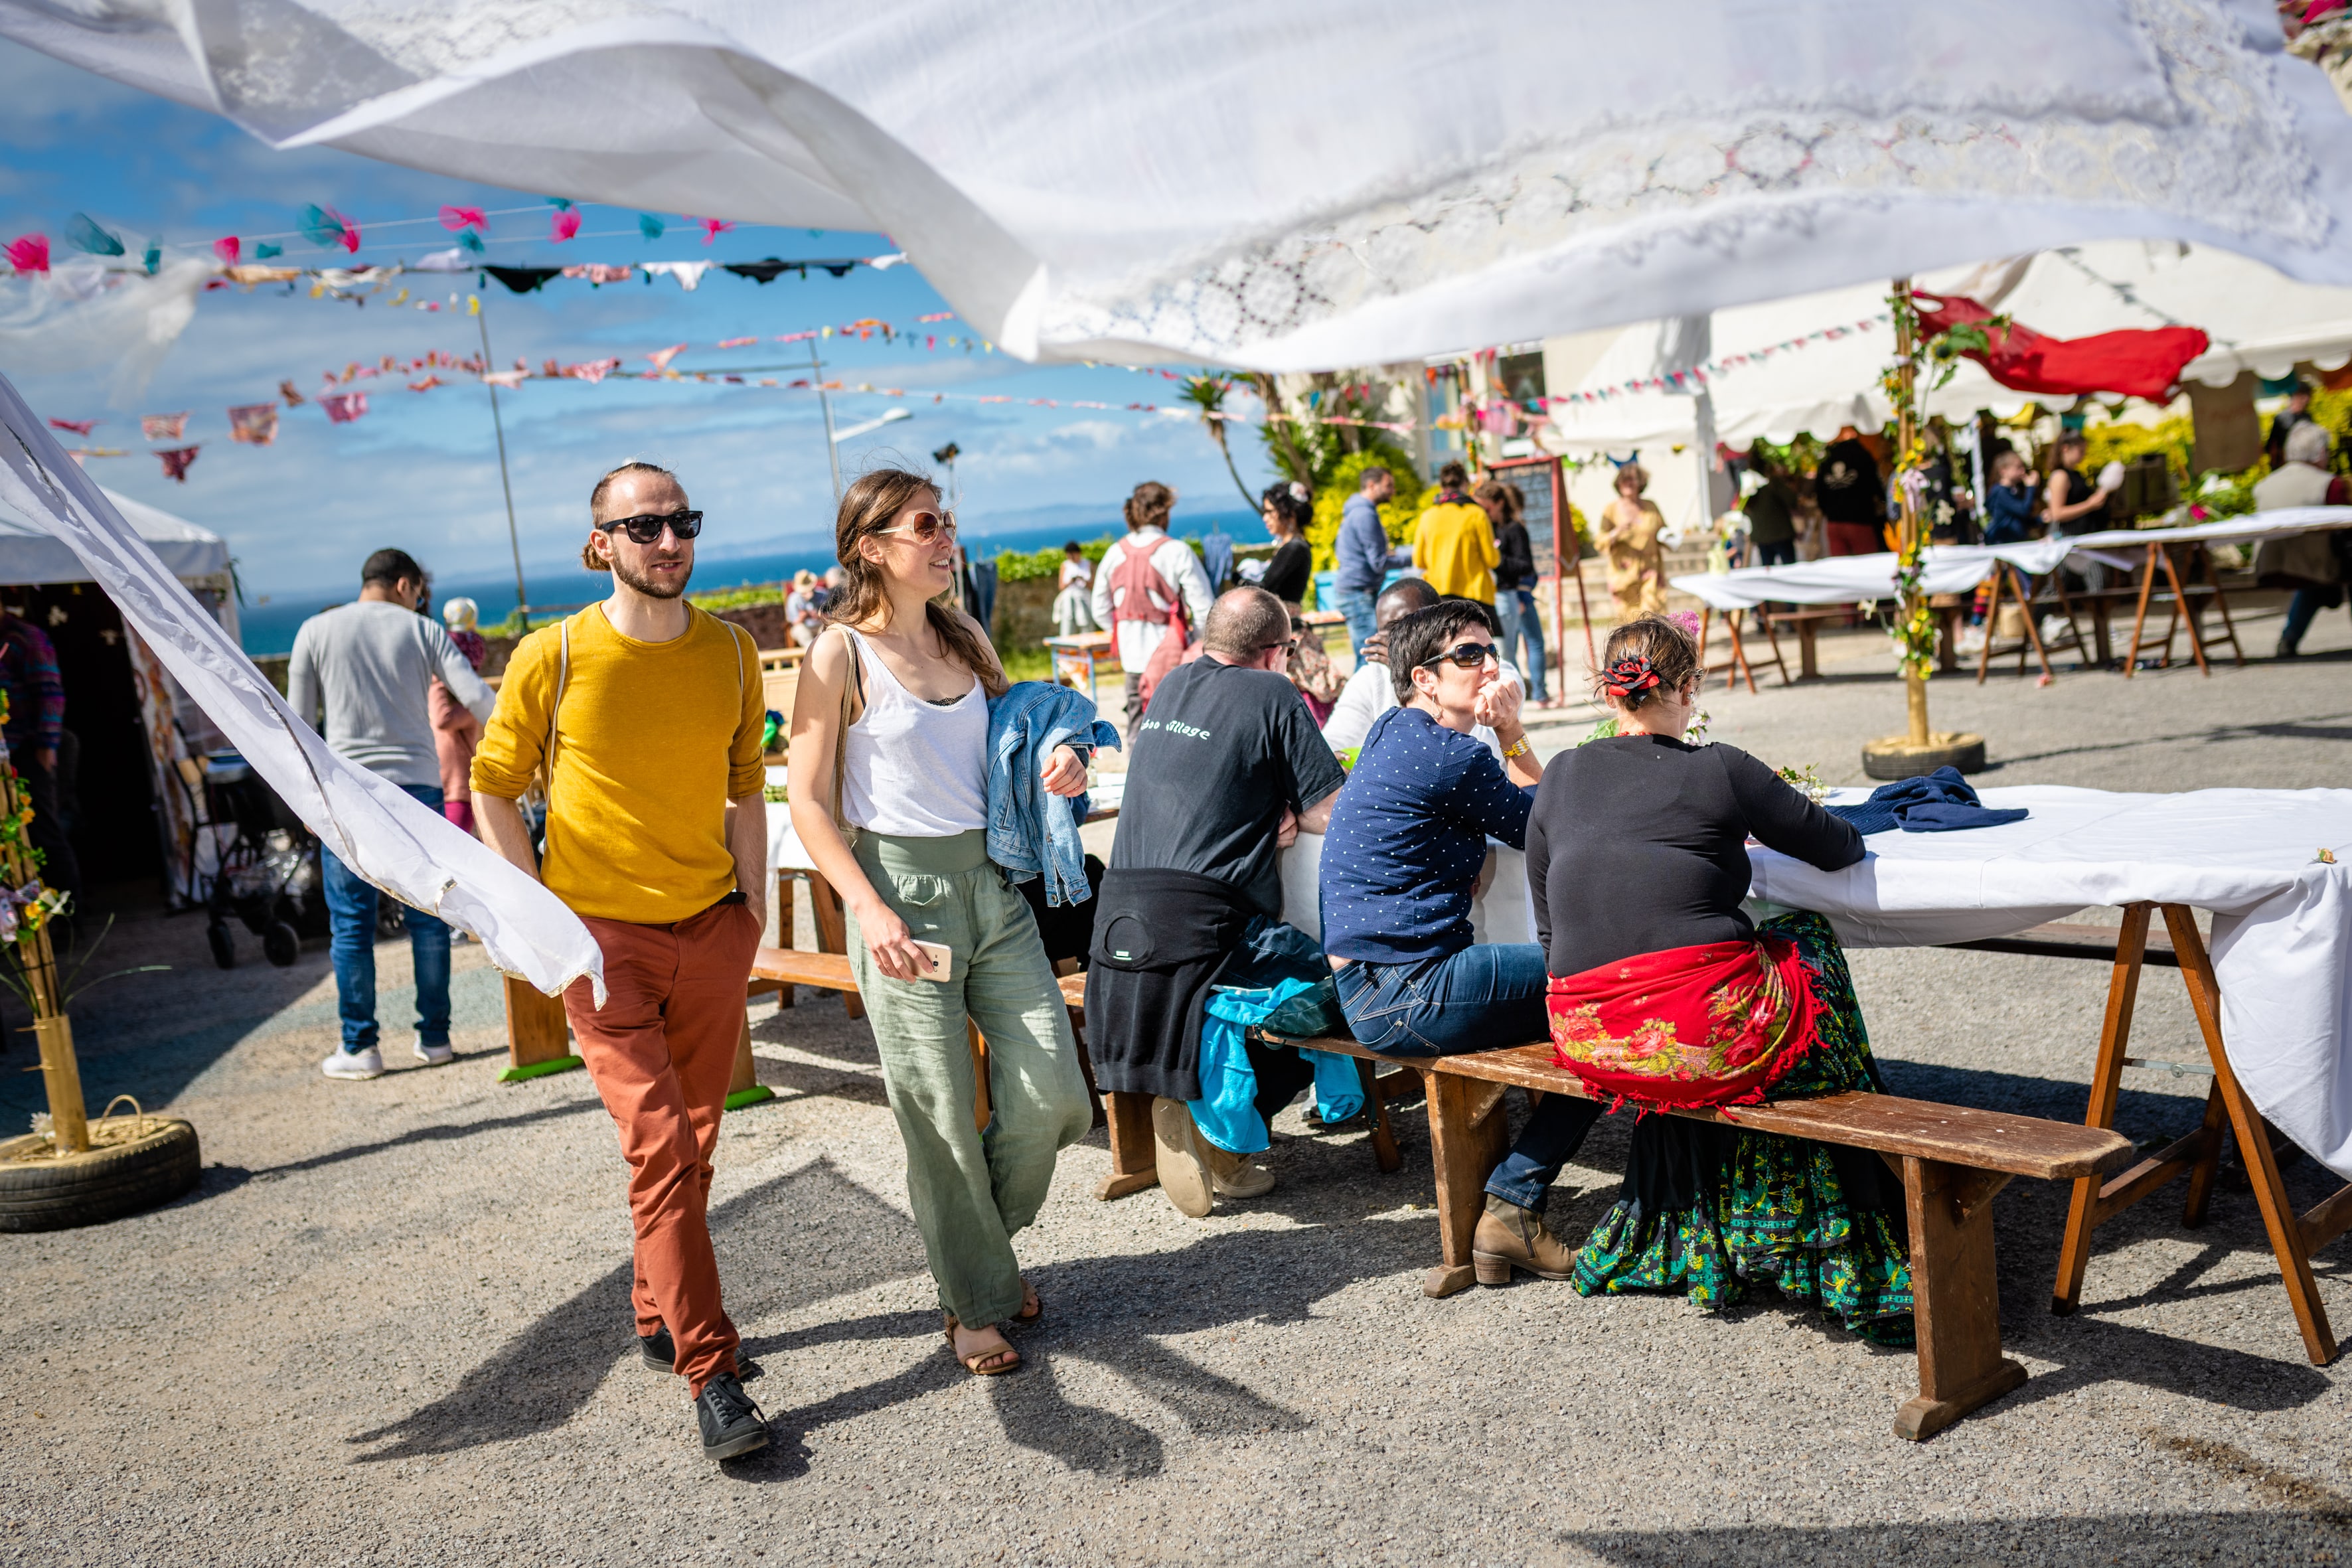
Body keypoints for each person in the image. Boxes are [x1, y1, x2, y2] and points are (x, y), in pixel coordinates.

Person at [473, 461, 770, 1460]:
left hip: (712, 928)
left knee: (692, 1140)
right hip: (601, 950)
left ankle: (656, 1309)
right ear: (598, 543)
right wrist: (539, 920)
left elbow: (743, 785)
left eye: (681, 520)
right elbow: (493, 785)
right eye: (642, 526)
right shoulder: (550, 653)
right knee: (659, 1149)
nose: (668, 540)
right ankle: (710, 1369)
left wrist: (753, 907)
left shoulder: (732, 651)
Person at [1525, 613, 1911, 1341]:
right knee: (1806, 942)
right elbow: (1840, 848)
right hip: (1695, 1037)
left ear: (1611, 693)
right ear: (1690, 687)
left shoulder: (1564, 772)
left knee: (1720, 981)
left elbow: (1549, 921)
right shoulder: (1719, 768)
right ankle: (1832, 1204)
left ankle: (1712, 1221)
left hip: (1589, 1036)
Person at [788, 467, 1093, 1381]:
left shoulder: (962, 635)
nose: (944, 536)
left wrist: (1062, 754)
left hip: (991, 888)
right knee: (939, 1116)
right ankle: (975, 1297)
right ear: (870, 547)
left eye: (944, 521)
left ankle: (975, 1262)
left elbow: (1011, 741)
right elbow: (804, 801)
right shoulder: (835, 653)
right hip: (896, 891)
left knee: (1056, 1097)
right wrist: (867, 906)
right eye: (925, 523)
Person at [1317, 599, 1603, 1282]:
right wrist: (1511, 729)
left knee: (1587, 1001)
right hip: (1406, 991)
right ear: (1424, 678)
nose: (1488, 667)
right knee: (1612, 998)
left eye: (1490, 652)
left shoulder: (1396, 731)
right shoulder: (1450, 755)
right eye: (1468, 656)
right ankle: (1513, 1207)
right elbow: (1557, 829)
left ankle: (1518, 1202)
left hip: (1374, 983)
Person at [1086, 586, 1348, 1215]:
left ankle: (1208, 1120)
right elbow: (1330, 812)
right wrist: (1286, 812)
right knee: (1342, 987)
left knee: (1252, 989)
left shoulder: (1172, 685)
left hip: (1119, 921)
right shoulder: (1274, 692)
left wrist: (1265, 813)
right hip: (1204, 923)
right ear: (1275, 652)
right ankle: (1221, 1135)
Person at [288, 548, 493, 1083]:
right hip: (418, 790)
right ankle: (436, 1038)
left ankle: (360, 1048)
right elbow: (475, 695)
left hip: (346, 791)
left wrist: (306, 802)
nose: (421, 602)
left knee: (352, 924)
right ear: (405, 585)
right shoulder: (421, 631)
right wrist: (523, 744)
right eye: (421, 593)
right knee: (428, 914)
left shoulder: (314, 630)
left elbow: (297, 726)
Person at [1090, 481, 1215, 728]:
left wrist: (1124, 631)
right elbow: (1204, 609)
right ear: (1165, 512)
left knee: (1137, 725)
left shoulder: (1115, 552)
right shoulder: (1177, 551)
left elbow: (1100, 609)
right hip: (1171, 659)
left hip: (1131, 657)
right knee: (1177, 727)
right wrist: (1194, 642)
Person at [0, 604, 79, 910]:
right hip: (6, 757)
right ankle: (30, 916)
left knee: (44, 834)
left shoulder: (25, 638)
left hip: (28, 752)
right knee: (16, 842)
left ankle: (67, 914)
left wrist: (46, 749)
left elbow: (50, 696)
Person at [2255, 420, 2352, 656]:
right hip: (2316, 565)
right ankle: (2289, 638)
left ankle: (2289, 638)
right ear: (2320, 453)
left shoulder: (2263, 485)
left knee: (2311, 582)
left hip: (2271, 565)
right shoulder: (2329, 484)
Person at [1476, 477, 1551, 706]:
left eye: (1486, 508)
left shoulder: (1514, 528)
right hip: (1499, 595)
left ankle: (1535, 694)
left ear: (1498, 503)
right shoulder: (1485, 527)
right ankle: (1524, 694)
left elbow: (1526, 566)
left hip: (1514, 594)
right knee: (1508, 650)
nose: (1483, 513)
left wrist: (1496, 559)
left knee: (1523, 646)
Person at [1331, 465, 1411, 655]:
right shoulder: (1365, 515)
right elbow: (1379, 563)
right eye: (1389, 485)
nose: (1393, 490)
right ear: (1371, 485)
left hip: (1355, 592)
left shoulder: (1356, 512)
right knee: (1370, 655)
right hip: (1358, 595)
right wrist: (1417, 558)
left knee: (1369, 654)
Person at [431, 596, 489, 834]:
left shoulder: (460, 700)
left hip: (456, 788)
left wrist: (435, 680)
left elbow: (443, 719)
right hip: (447, 786)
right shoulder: (470, 694)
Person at [1412, 461, 1498, 603]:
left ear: (1441, 487)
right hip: (1476, 594)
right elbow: (1492, 560)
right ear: (1465, 484)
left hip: (1440, 595)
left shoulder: (1428, 516)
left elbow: (1419, 561)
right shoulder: (1477, 514)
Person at [1595, 463, 1667, 621]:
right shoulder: (1611, 509)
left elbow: (1662, 531)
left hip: (1651, 571)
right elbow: (1600, 542)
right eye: (1624, 480)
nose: (1628, 483)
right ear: (1618, 484)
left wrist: (1670, 538)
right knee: (1629, 622)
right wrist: (1616, 533)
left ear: (1641, 482)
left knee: (1653, 618)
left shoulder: (1651, 506)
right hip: (1624, 575)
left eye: (1632, 479)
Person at [1815, 426, 1885, 556]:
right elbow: (1875, 485)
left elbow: (1819, 494)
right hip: (1860, 519)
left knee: (1842, 568)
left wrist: (1830, 511)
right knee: (1869, 564)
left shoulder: (1826, 461)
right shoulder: (1862, 455)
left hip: (1834, 522)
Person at [1259, 481, 1314, 604]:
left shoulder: (1294, 548)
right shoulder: (1294, 545)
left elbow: (1266, 588)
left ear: (1289, 513)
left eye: (1270, 512)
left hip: (1284, 621)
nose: (1265, 518)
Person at [1980, 449, 2041, 545]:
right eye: (2018, 467)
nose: (2023, 471)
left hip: (2014, 542)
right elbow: (2024, 510)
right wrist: (2031, 487)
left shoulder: (2014, 490)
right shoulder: (2001, 492)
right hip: (2003, 543)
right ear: (2003, 471)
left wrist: (2040, 519)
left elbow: (2019, 519)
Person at [1052, 540, 1098, 636]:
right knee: (1068, 622)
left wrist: (1083, 580)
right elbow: (1061, 586)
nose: (1071, 557)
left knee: (1087, 623)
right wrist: (1070, 582)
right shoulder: (1065, 565)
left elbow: (1093, 586)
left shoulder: (1088, 564)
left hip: (1084, 597)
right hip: (1069, 598)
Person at [2266, 383, 2317, 470]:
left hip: (2306, 464)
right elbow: (2272, 445)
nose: (2307, 400)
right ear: (2295, 396)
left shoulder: (2307, 417)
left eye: (2309, 396)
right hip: (2286, 464)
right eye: (2303, 396)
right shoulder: (2281, 418)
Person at [785, 568, 826, 647]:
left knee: (827, 629)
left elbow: (833, 616)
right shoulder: (793, 599)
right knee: (800, 630)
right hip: (804, 627)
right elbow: (793, 622)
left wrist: (820, 616)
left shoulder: (823, 595)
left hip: (821, 625)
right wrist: (803, 617)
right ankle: (812, 653)